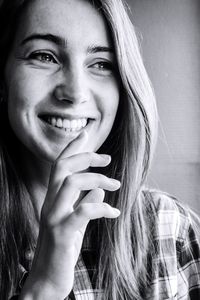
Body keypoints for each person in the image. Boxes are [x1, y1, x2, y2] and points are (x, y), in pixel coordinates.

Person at [0, 0, 199, 299]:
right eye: (44, 56)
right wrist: (43, 288)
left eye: (102, 64)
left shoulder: (173, 231)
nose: (75, 93)